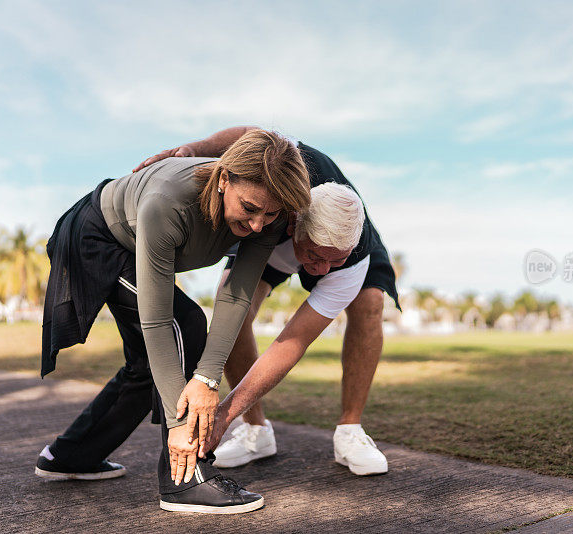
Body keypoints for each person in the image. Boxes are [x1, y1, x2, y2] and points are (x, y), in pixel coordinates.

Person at [37, 129, 310, 514]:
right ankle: (184, 480)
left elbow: (235, 296)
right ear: (223, 179)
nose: (258, 226)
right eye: (249, 209)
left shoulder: (269, 214)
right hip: (97, 236)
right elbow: (156, 319)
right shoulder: (168, 203)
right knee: (185, 324)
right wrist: (180, 422)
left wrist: (208, 378)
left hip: (127, 243)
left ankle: (70, 456)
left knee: (151, 364)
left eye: (271, 214)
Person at [132, 126, 400, 476]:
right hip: (279, 242)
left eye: (331, 262)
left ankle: (350, 430)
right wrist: (192, 149)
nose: (320, 271)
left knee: (369, 305)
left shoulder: (349, 256)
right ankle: (256, 431)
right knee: (232, 312)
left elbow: (292, 342)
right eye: (315, 257)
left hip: (343, 238)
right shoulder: (280, 193)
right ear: (293, 224)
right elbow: (252, 135)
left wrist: (222, 414)